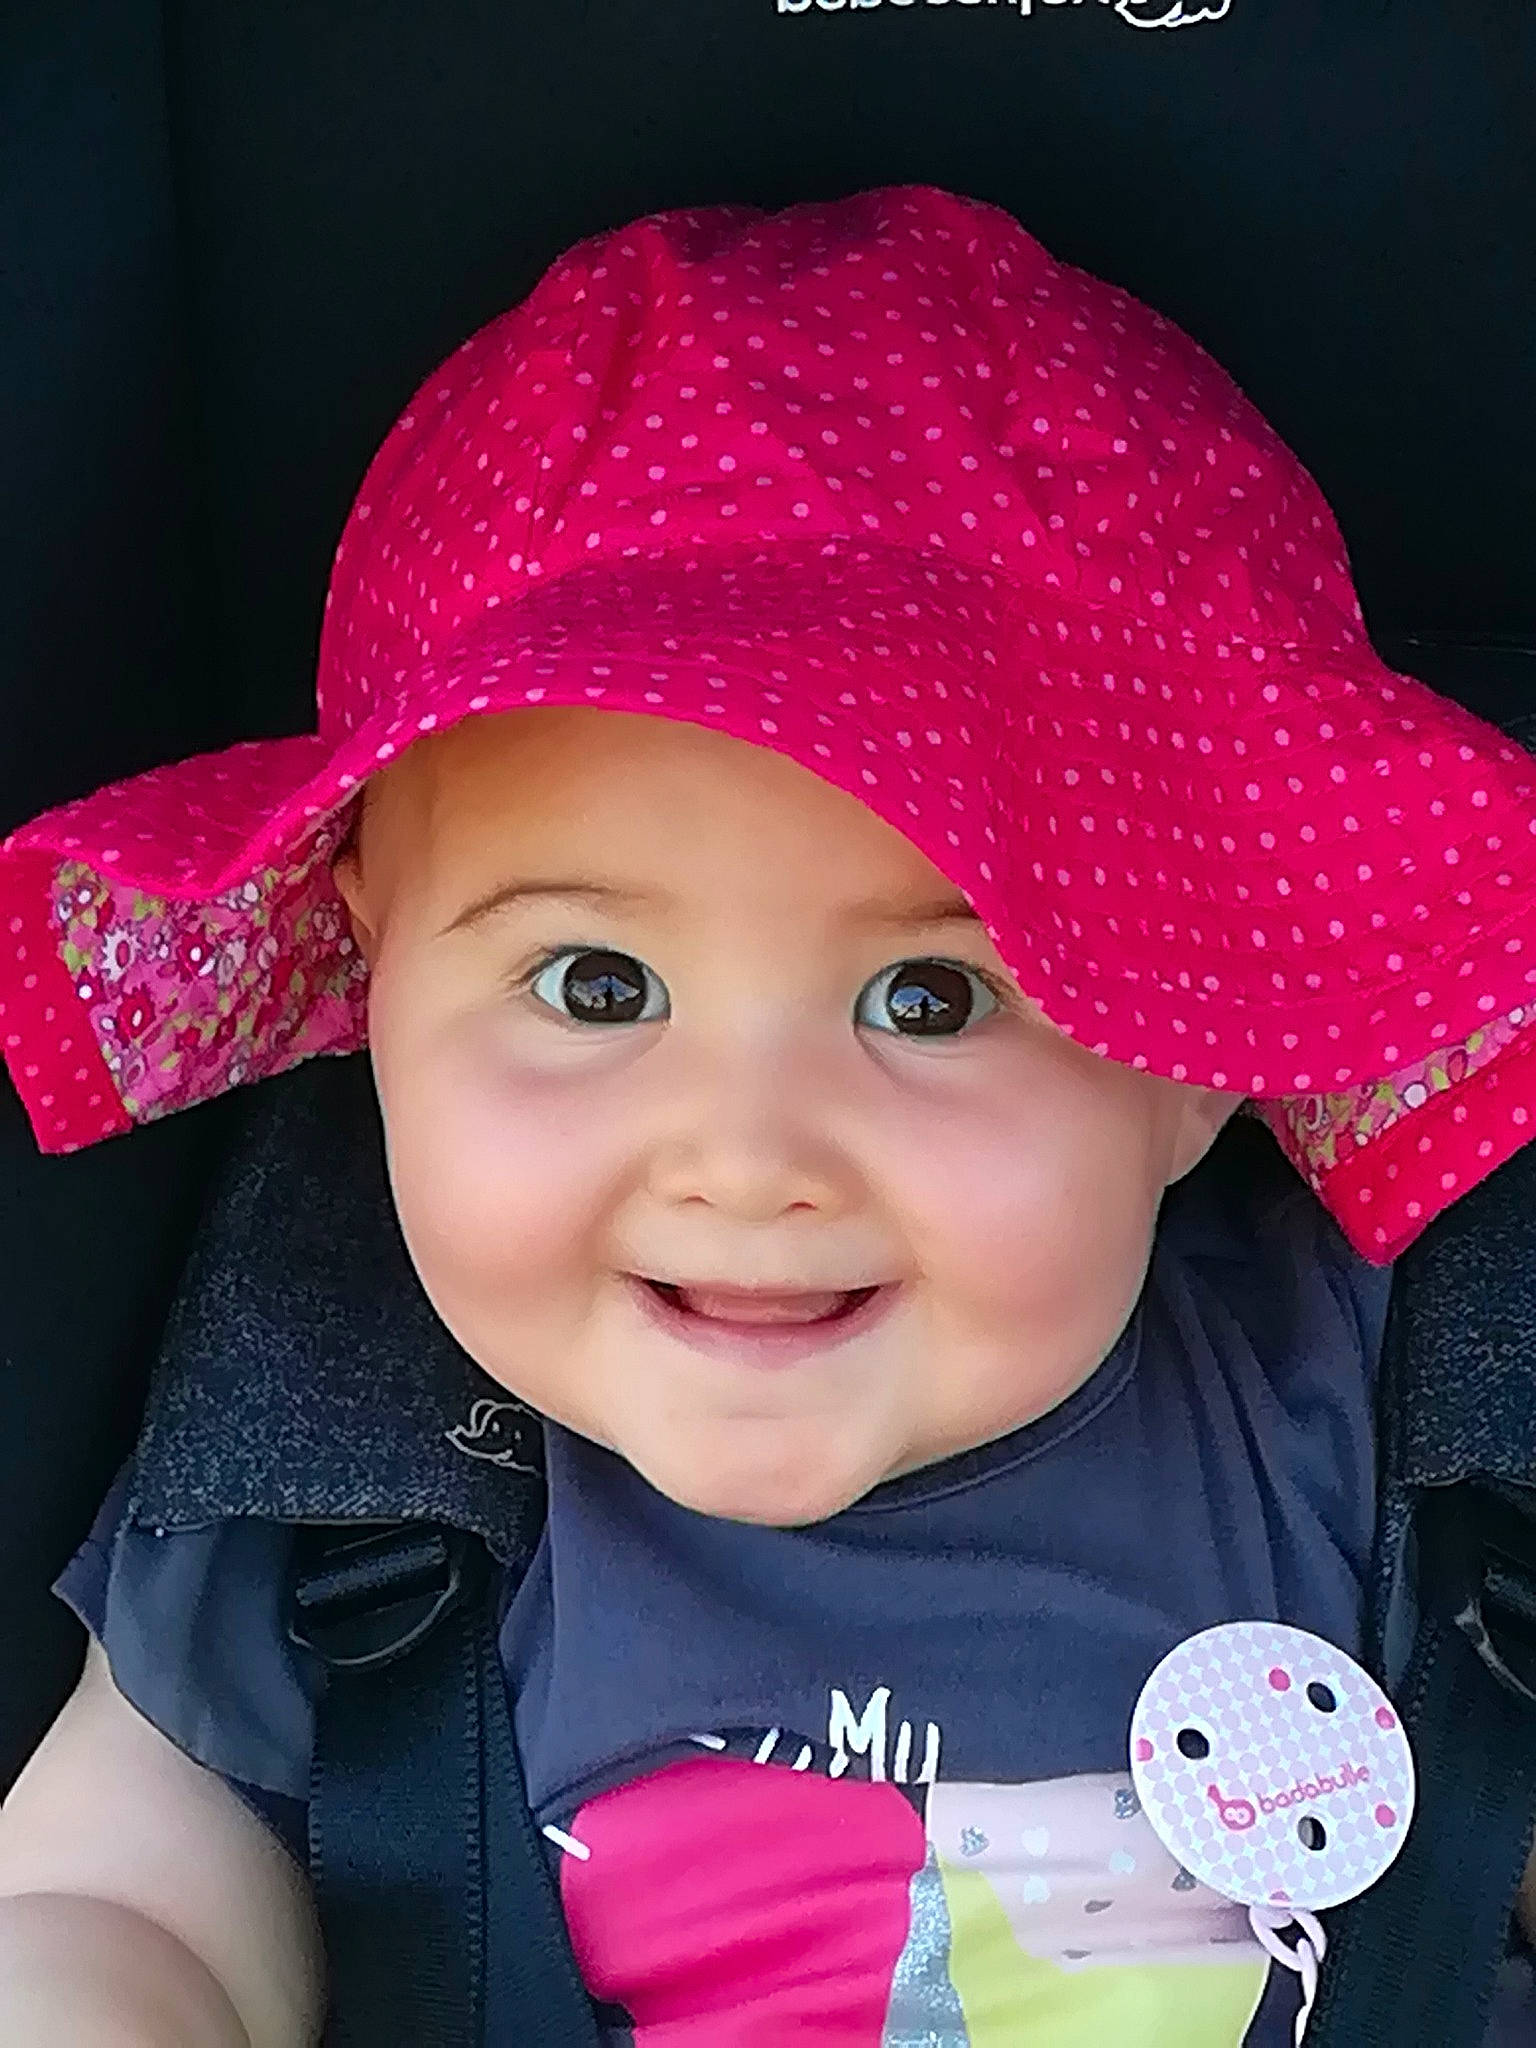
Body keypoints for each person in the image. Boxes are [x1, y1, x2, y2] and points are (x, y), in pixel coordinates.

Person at [0, 183, 1534, 2048]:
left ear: (1200, 1054)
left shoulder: (1365, 1409)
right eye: (594, 987)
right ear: (371, 971)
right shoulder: (329, 1474)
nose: (746, 1154)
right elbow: (109, 1897)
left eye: (932, 998)